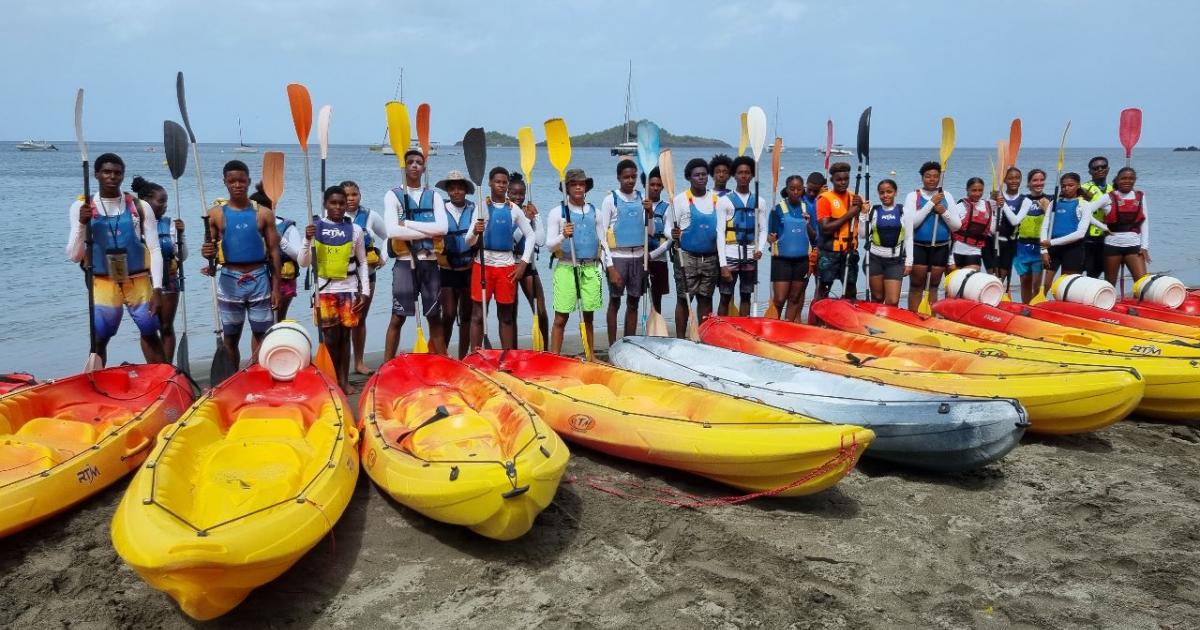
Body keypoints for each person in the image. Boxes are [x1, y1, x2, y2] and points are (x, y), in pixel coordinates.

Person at [66, 153, 166, 365]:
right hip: (103, 281)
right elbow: (74, 256)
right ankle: (96, 383)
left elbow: (155, 249)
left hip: (137, 279)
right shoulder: (81, 208)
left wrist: (158, 289)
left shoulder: (139, 207)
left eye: (117, 173)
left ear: (123, 175)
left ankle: (165, 381)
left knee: (150, 332)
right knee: (100, 337)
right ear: (96, 175)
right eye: (106, 172)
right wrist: (83, 225)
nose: (112, 177)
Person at [200, 160, 280, 368]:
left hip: (259, 277)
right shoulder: (215, 214)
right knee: (231, 337)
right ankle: (233, 378)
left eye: (242, 181)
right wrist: (206, 253)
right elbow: (210, 248)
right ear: (225, 183)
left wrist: (277, 287)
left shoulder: (263, 213)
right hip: (229, 280)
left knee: (262, 334)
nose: (237, 185)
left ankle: (258, 372)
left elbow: (274, 252)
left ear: (248, 181)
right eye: (232, 181)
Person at [297, 185, 369, 393]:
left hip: (349, 289)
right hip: (325, 290)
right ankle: (331, 380)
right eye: (333, 203)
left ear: (347, 205)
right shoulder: (315, 227)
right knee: (330, 338)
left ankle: (344, 381)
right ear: (325, 205)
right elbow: (303, 262)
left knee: (345, 337)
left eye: (341, 203)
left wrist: (365, 291)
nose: (337, 207)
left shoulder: (355, 230)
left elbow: (363, 262)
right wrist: (307, 239)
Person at [383, 149, 448, 358]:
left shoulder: (434, 196)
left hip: (429, 263)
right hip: (404, 263)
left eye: (418, 162)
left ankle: (443, 361)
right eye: (410, 162)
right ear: (404, 167)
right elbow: (392, 231)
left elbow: (442, 229)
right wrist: (426, 228)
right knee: (398, 317)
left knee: (434, 317)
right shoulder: (392, 195)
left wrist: (408, 223)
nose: (414, 165)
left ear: (423, 168)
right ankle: (386, 364)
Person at [545, 169, 608, 356]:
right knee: (561, 317)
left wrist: (605, 266)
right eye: (573, 184)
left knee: (588, 316)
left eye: (581, 184)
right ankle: (555, 356)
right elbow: (549, 245)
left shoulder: (595, 212)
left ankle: (590, 356)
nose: (578, 187)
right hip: (565, 267)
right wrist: (562, 235)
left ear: (586, 187)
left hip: (590, 268)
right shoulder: (558, 212)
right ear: (567, 189)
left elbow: (603, 241)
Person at [470, 167, 535, 350]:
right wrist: (475, 231)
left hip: (506, 266)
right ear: (490, 183)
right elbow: (469, 241)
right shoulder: (482, 206)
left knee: (506, 316)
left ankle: (508, 357)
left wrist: (523, 263)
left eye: (504, 182)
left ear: (507, 185)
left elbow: (530, 236)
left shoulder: (513, 209)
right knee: (478, 315)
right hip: (482, 264)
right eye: (497, 181)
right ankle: (474, 357)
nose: (501, 185)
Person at [133, 176, 186, 362]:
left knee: (165, 326)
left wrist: (181, 235)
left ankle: (167, 369)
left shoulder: (169, 224)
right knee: (147, 329)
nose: (164, 206)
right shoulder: (132, 223)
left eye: (166, 202)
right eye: (161, 201)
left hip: (168, 279)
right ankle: (153, 368)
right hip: (141, 281)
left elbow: (182, 256)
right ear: (146, 201)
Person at [668, 158, 722, 337]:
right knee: (684, 299)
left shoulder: (716, 200)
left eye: (704, 174)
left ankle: (705, 337)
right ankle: (680, 339)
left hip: (711, 258)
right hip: (686, 257)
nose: (701, 178)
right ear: (689, 178)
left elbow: (721, 232)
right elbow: (668, 229)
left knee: (706, 299)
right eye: (697, 175)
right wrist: (672, 234)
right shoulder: (680, 200)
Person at [600, 159, 651, 344]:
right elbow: (602, 236)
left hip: (638, 256)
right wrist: (610, 267)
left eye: (633, 177)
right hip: (618, 257)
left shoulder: (642, 198)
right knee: (615, 302)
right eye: (626, 177)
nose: (630, 180)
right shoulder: (610, 200)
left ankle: (629, 342)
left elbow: (649, 231)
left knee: (634, 302)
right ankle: (613, 343)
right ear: (619, 178)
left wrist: (650, 213)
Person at [342, 180, 388, 374]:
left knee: (360, 319)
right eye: (346, 195)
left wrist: (383, 258)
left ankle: (359, 362)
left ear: (360, 196)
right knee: (343, 321)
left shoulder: (370, 216)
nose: (350, 199)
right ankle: (341, 364)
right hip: (342, 278)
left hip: (366, 276)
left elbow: (388, 236)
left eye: (354, 194)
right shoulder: (334, 216)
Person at [1080, 166, 1150, 287]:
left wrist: (1144, 246)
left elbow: (1145, 222)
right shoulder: (1109, 197)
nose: (1127, 181)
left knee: (1142, 283)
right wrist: (1103, 227)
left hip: (1134, 246)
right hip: (1112, 246)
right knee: (1110, 284)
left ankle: (1138, 303)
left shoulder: (1140, 196)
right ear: (1117, 180)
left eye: (1131, 178)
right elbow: (1085, 212)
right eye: (1123, 178)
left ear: (1135, 180)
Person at [716, 155, 767, 316]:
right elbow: (719, 233)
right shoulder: (724, 201)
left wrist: (760, 249)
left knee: (746, 296)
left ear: (752, 175)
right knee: (725, 296)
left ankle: (744, 327)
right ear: (734, 175)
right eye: (740, 173)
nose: (744, 176)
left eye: (747, 172)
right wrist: (723, 264)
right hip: (730, 255)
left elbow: (763, 229)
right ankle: (721, 328)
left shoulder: (760, 201)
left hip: (750, 256)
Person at [904, 161, 959, 311]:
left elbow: (956, 226)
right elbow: (912, 224)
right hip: (919, 247)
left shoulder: (946, 196)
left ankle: (931, 317)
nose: (932, 179)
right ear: (922, 177)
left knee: (933, 286)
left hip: (941, 248)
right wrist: (930, 204)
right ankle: (913, 318)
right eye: (928, 176)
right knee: (917, 286)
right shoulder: (912, 196)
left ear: (940, 178)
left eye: (936, 176)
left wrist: (943, 212)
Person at [1039, 172, 1104, 294]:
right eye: (1063, 186)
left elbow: (1080, 233)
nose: (1066, 188)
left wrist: (1051, 242)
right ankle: (1039, 304)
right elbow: (1045, 227)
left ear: (1078, 185)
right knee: (1043, 285)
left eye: (1070, 185)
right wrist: (1044, 251)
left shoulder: (1084, 205)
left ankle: (1064, 307)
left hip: (1073, 249)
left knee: (1067, 286)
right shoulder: (1054, 203)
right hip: (1052, 249)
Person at [435, 170, 477, 358]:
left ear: (465, 191)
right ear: (448, 191)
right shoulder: (440, 210)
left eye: (460, 188)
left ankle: (463, 357)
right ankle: (443, 355)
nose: (456, 192)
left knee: (466, 316)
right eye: (452, 188)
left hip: (469, 268)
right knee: (449, 314)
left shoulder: (474, 209)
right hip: (447, 269)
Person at [507, 172, 549, 347]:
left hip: (529, 266)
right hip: (510, 265)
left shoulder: (530, 211)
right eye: (514, 193)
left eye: (521, 194)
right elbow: (510, 240)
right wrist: (525, 220)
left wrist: (536, 217)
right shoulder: (505, 212)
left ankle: (545, 346)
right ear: (508, 193)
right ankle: (513, 348)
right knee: (511, 310)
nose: (518, 197)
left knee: (540, 308)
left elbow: (540, 241)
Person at [249, 183, 301, 322]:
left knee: (278, 319)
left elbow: (299, 257)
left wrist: (281, 240)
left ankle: (278, 340)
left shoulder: (287, 228)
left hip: (284, 281)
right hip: (258, 280)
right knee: (260, 322)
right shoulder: (248, 227)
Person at [768, 175, 817, 319]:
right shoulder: (777, 209)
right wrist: (769, 239)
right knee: (780, 299)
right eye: (792, 189)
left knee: (795, 298)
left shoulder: (807, 208)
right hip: (781, 260)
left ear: (803, 190)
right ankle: (774, 327)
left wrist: (807, 224)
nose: (795, 192)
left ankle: (788, 326)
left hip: (802, 261)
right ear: (787, 190)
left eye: (799, 189)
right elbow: (770, 236)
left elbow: (814, 237)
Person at [814, 162, 865, 302]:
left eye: (846, 179)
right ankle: (818, 321)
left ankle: (849, 319)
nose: (843, 182)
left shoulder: (855, 199)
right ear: (832, 180)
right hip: (829, 252)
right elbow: (825, 229)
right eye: (839, 179)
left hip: (849, 251)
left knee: (850, 289)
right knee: (824, 288)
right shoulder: (824, 199)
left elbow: (862, 225)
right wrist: (850, 213)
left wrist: (860, 209)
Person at [861, 179, 913, 306]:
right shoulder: (873, 211)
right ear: (878, 194)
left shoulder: (903, 212)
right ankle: (875, 323)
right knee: (877, 297)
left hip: (895, 261)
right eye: (882, 192)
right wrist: (863, 214)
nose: (885, 195)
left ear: (895, 192)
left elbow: (909, 238)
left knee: (893, 300)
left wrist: (909, 262)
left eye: (889, 192)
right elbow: (862, 235)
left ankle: (890, 323)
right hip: (874, 259)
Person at [985, 167, 1029, 288]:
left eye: (1017, 178)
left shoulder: (1025, 201)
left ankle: (1000, 296)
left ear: (1021, 180)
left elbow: (1015, 221)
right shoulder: (996, 196)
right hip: (992, 241)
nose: (1014, 181)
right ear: (1004, 180)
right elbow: (989, 216)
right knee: (992, 275)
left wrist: (1003, 204)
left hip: (1009, 243)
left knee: (1002, 277)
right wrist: (991, 200)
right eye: (1010, 178)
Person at [1012, 169, 1050, 303]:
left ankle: (1035, 307)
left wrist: (1047, 209)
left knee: (1037, 284)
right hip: (1021, 247)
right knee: (1024, 280)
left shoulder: (1049, 199)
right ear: (1028, 183)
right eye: (1035, 180)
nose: (1038, 183)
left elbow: (1056, 222)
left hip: (1039, 248)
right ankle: (1025, 307)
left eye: (1041, 180)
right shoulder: (1022, 200)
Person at [644, 167, 673, 316]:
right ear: (646, 185)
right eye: (652, 185)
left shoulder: (667, 207)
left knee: (657, 298)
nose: (655, 188)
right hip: (639, 258)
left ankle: (656, 322)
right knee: (637, 297)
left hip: (658, 259)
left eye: (658, 185)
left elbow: (670, 239)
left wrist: (652, 255)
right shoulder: (639, 204)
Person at [950, 178, 994, 271]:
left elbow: (992, 227)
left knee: (970, 281)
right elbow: (950, 230)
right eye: (974, 190)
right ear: (967, 190)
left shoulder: (988, 205)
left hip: (975, 252)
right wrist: (950, 259)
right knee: (955, 284)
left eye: (980, 190)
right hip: (956, 251)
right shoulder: (960, 207)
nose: (977, 193)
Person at [1080, 156, 1114, 278]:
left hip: (1107, 237)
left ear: (1108, 169)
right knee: (1083, 271)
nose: (1100, 170)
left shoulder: (1113, 189)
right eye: (1096, 168)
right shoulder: (1084, 189)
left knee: (1101, 271)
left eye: (1103, 167)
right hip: (1087, 237)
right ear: (1090, 172)